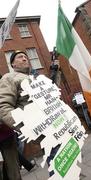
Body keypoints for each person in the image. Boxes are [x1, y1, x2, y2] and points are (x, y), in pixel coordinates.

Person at [0, 50, 34, 179]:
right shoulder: (9, 78)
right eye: (20, 57)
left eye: (26, 57)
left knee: (13, 171)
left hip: (6, 134)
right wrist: (24, 128)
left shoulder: (32, 78)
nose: (25, 59)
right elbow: (4, 107)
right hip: (8, 130)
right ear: (12, 64)